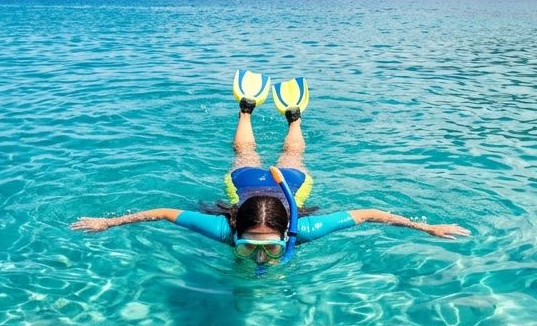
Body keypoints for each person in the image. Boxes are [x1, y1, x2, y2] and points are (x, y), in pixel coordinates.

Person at [70, 71, 469, 265]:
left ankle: (292, 115)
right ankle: (248, 108)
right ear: (235, 229)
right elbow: (159, 212)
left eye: (268, 247)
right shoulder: (222, 228)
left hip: (289, 186)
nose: (260, 256)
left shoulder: (305, 228)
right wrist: (109, 223)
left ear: (286, 232)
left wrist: (426, 228)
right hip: (244, 185)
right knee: (247, 154)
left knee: (282, 159)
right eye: (250, 245)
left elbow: (369, 215)